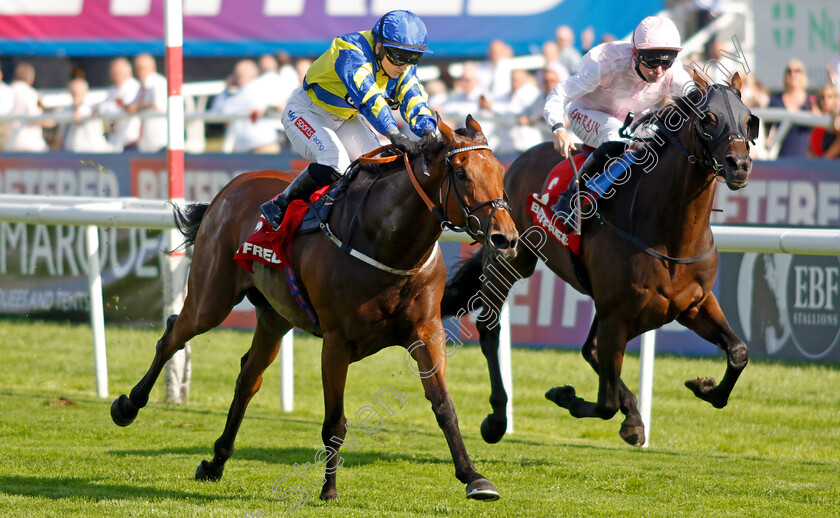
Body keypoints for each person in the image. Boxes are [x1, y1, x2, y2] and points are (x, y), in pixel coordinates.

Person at [260, 10, 437, 231]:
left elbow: (414, 96)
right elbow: (368, 97)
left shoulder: (402, 65)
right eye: (398, 56)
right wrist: (393, 133)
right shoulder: (351, 51)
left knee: (381, 163)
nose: (403, 65)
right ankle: (279, 204)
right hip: (308, 111)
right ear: (379, 47)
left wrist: (429, 131)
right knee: (335, 162)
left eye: (412, 58)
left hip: (345, 117)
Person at [544, 15, 692, 226]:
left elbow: (698, 102)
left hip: (633, 119)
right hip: (586, 112)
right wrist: (558, 128)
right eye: (652, 61)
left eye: (666, 62)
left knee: (661, 139)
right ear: (635, 53)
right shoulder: (603, 63)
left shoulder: (674, 73)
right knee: (617, 135)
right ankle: (571, 198)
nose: (659, 71)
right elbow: (560, 94)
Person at [210, 59, 282, 154]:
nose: (235, 79)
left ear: (252, 75)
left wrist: (227, 90)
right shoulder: (242, 92)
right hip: (248, 149)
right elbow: (218, 110)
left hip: (264, 147)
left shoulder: (254, 89)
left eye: (238, 76)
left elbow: (223, 109)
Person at [767, 59, 816, 158]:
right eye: (789, 71)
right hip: (782, 157)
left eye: (797, 70)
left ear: (804, 75)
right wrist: (767, 140)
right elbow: (765, 126)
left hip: (807, 159)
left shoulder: (811, 100)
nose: (793, 74)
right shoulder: (776, 100)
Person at [96, 57, 141, 151]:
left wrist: (101, 109)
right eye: (114, 73)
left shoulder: (134, 88)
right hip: (117, 143)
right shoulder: (113, 90)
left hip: (131, 142)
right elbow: (105, 107)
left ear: (129, 73)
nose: (116, 76)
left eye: (119, 73)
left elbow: (119, 108)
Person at [57, 78, 112, 153]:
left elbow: (86, 112)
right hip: (72, 154)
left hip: (94, 154)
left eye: (78, 93)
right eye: (73, 93)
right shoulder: (66, 110)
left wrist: (77, 111)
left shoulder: (92, 106)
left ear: (85, 92)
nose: (76, 96)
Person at [127, 53, 168, 153]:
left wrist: (137, 108)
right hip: (146, 144)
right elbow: (134, 106)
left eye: (143, 68)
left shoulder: (159, 83)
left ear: (153, 68)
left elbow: (158, 105)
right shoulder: (142, 87)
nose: (140, 72)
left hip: (160, 142)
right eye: (137, 68)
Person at [7, 63, 50, 152]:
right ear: (31, 80)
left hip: (10, 143)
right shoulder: (31, 93)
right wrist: (50, 121)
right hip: (30, 143)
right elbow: (34, 117)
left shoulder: (6, 91)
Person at [808, 84, 840, 159]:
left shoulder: (836, 117)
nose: (826, 100)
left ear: (835, 99)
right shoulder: (815, 117)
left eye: (829, 97)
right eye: (823, 97)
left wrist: (825, 158)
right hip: (817, 164)